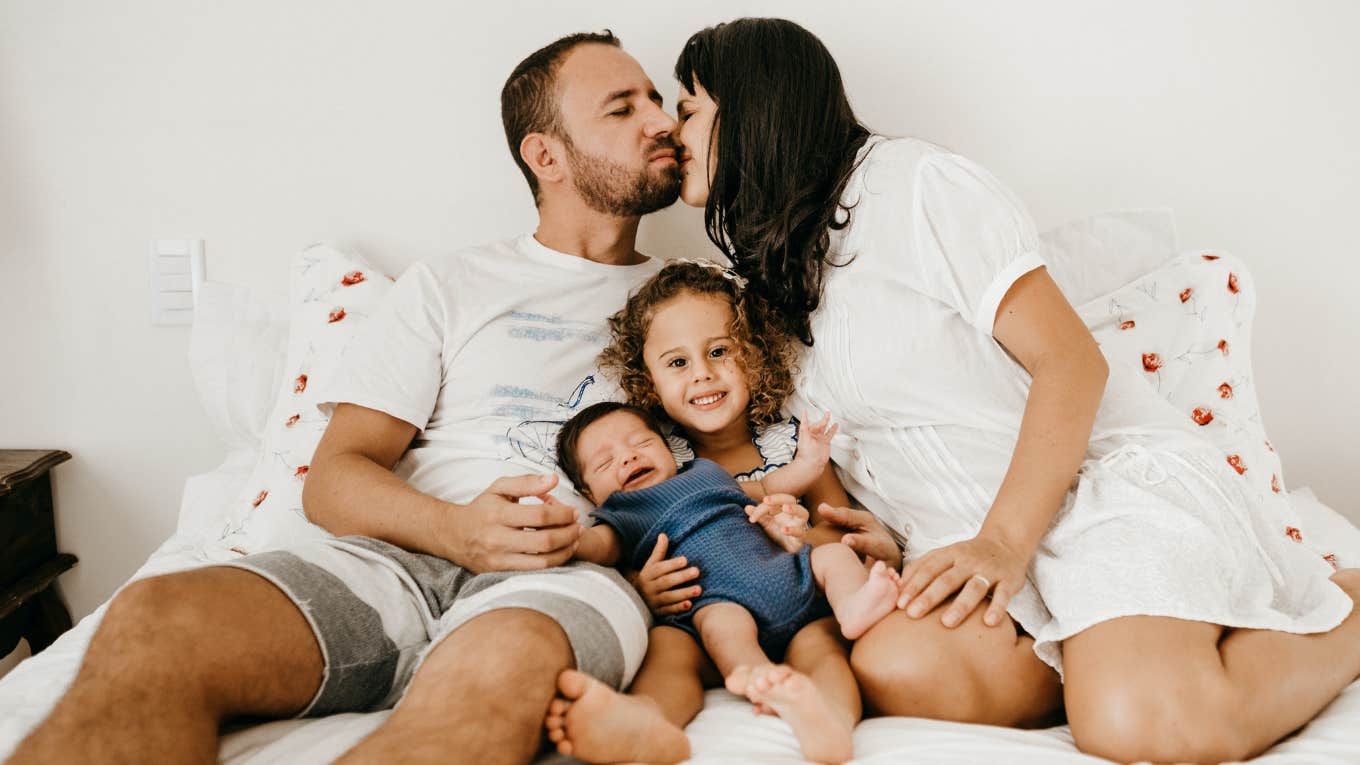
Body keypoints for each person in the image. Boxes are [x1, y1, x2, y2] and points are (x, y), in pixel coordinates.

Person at [667, 17, 1360, 764]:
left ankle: (1341, 604)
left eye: (687, 110)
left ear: (753, 106)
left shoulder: (915, 186)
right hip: (966, 538)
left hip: (1095, 496)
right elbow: (879, 437)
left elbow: (1072, 363)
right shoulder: (772, 283)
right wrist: (881, 535)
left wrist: (1003, 541)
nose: (672, 133)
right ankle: (1128, 646)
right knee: (896, 662)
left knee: (1137, 726)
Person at [8, 30, 687, 765]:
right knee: (153, 621)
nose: (661, 121)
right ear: (545, 155)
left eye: (656, 100)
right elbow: (334, 477)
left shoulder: (698, 304)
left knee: (483, 691)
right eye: (623, 108)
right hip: (394, 558)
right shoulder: (452, 284)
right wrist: (457, 531)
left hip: (567, 571)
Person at [545, 274, 901, 761]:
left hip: (795, 592)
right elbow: (605, 549)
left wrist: (795, 528)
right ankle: (648, 722)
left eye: (719, 352)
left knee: (825, 652)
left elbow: (832, 526)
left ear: (754, 352)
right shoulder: (664, 470)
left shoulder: (776, 444)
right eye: (677, 362)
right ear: (649, 385)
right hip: (707, 607)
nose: (702, 375)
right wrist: (638, 584)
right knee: (671, 655)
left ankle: (830, 721)